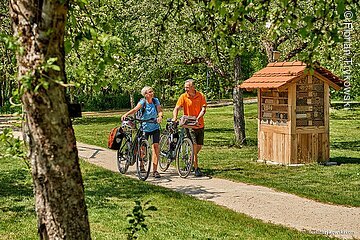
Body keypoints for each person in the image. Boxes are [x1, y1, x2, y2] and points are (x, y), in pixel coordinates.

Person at [121, 86, 163, 178]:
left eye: (152, 91)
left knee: (156, 147)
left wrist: (160, 116)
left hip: (155, 127)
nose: (152, 93)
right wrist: (126, 114)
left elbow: (159, 110)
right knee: (142, 148)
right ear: (145, 94)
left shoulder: (156, 101)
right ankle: (141, 165)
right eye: (150, 92)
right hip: (144, 128)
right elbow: (135, 109)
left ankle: (155, 171)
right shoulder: (143, 102)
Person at [172, 79, 207, 177]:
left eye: (187, 87)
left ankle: (190, 160)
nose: (185, 88)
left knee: (199, 146)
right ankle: (196, 168)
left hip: (199, 124)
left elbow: (203, 109)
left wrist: (198, 117)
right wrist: (175, 117)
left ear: (193, 87)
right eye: (185, 87)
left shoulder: (200, 96)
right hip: (189, 124)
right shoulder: (183, 96)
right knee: (194, 146)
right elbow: (177, 108)